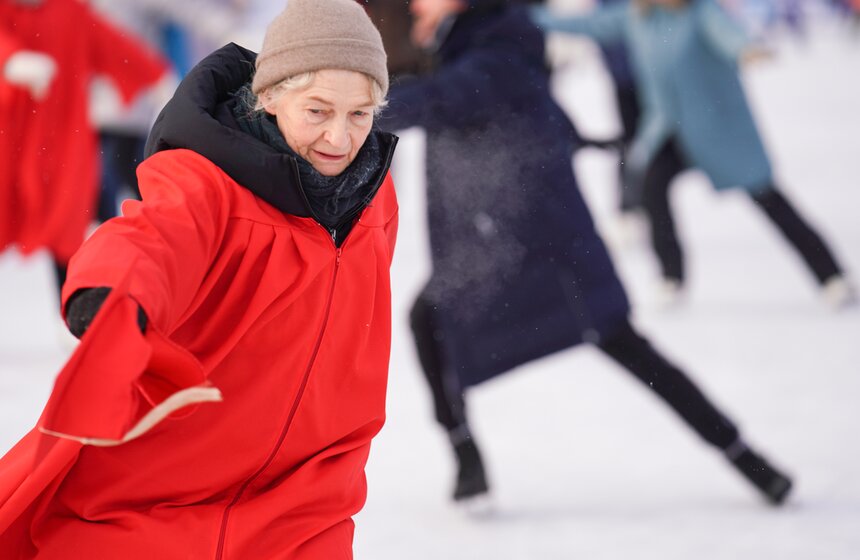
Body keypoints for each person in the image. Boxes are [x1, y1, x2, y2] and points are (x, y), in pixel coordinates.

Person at [0, 0, 399, 557]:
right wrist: (117, 289)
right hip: (164, 492)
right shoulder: (208, 181)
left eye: (360, 114)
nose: (339, 137)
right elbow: (152, 234)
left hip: (305, 504)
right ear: (271, 96)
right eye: (317, 110)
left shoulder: (373, 197)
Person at [381, 0, 792, 508]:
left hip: (543, 234)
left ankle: (742, 452)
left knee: (619, 338)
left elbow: (458, 93)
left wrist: (363, 104)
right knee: (430, 320)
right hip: (485, 236)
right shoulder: (456, 35)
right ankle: (466, 454)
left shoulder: (504, 32)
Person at [530, 0, 855, 308]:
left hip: (717, 131)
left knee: (769, 199)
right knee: (652, 190)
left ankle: (831, 276)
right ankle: (671, 276)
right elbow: (591, 25)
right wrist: (526, 18)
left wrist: (747, 50)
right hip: (667, 132)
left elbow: (728, 36)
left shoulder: (701, 13)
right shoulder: (637, 16)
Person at [0, 0, 168, 305]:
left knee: (68, 225)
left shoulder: (69, 11)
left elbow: (113, 45)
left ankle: (71, 312)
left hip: (62, 141)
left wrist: (156, 75)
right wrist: (9, 60)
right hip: (7, 142)